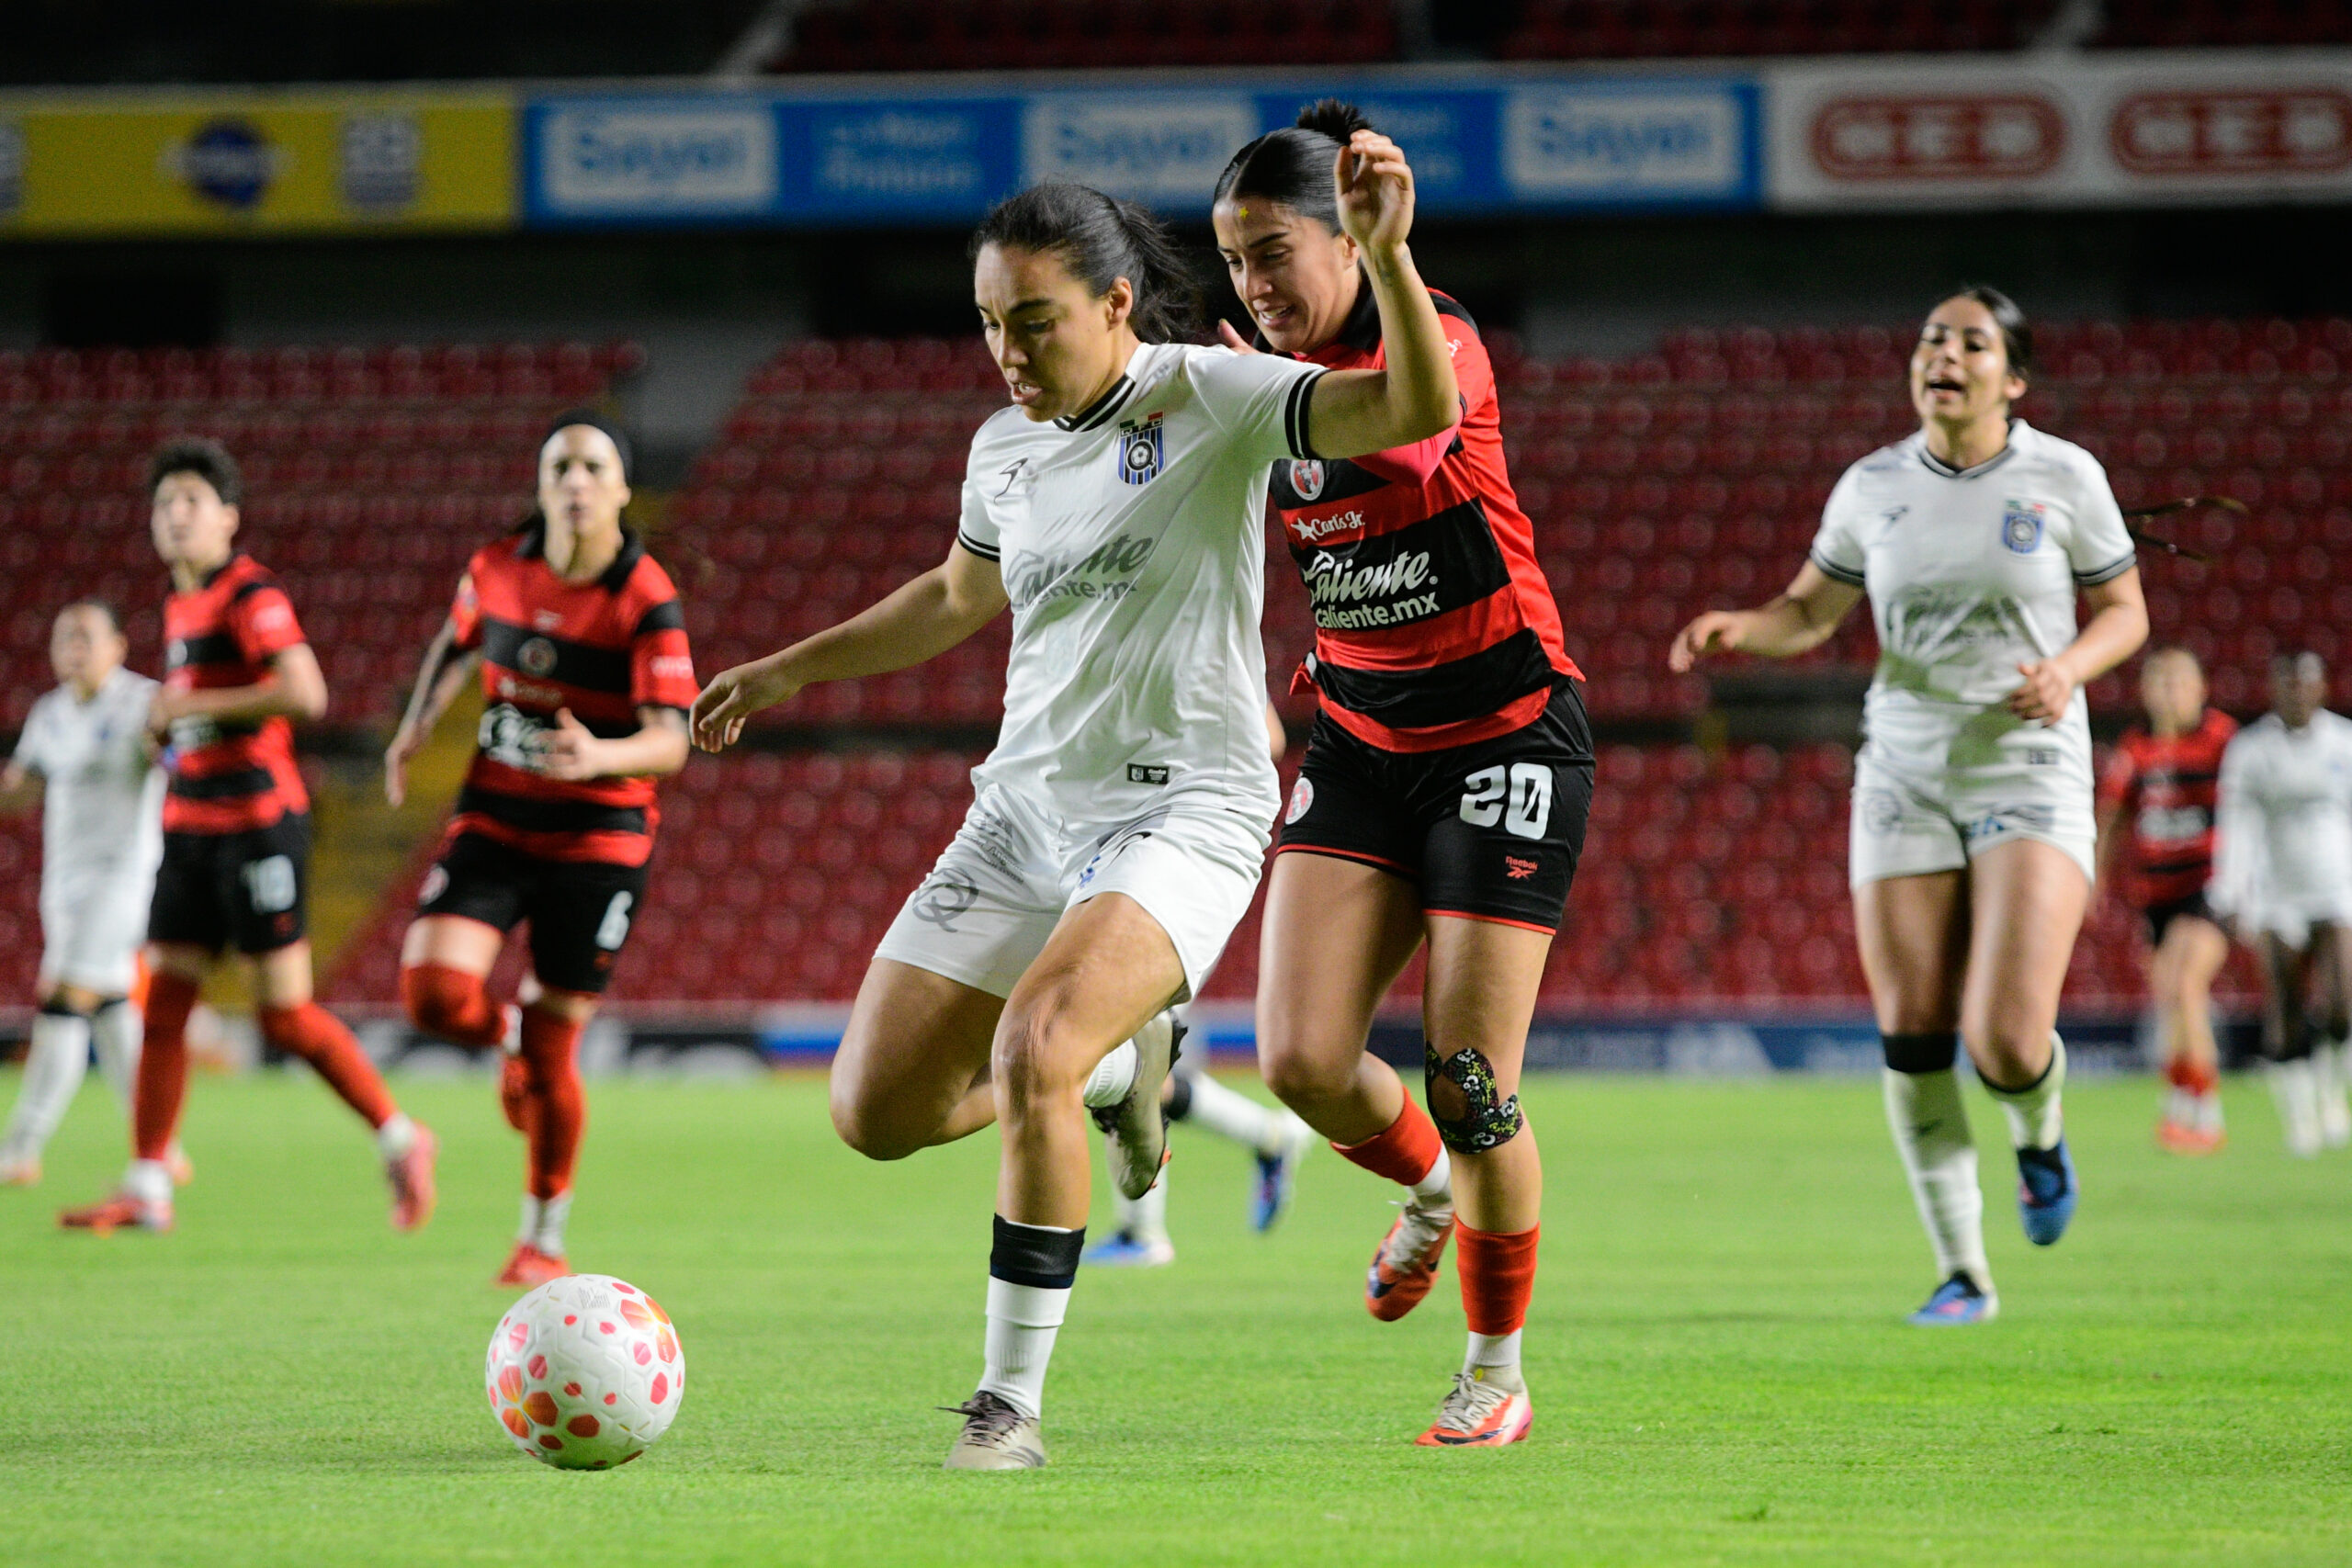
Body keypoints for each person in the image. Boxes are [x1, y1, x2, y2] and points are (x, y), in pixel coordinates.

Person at [691, 137, 1460, 1469]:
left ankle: (1008, 1405)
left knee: (1029, 1044)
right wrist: (782, 665)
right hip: (1022, 813)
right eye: (990, 324)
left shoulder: (1209, 395)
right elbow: (950, 598)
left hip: (1185, 807)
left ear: (1115, 304)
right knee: (872, 1111)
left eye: (1033, 321)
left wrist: (1387, 254)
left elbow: (1404, 410)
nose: (1009, 351)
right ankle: (1121, 1065)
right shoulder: (1004, 446)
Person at [1211, 100, 1591, 1444]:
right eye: (1235, 265)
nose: (1254, 289)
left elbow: (1403, 434)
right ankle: (1429, 1189)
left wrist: (1389, 264)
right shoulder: (1254, 371)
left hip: (1505, 733)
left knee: (1470, 1078)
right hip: (1363, 740)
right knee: (1304, 1059)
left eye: (1273, 253)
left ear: (1346, 235)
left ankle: (1496, 1366)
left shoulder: (1437, 337)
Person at [1670, 287, 2148, 1326]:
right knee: (1913, 1034)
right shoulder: (1871, 484)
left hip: (2025, 761)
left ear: (2011, 377)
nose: (1944, 353)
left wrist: (2068, 669)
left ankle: (2038, 1135)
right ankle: (1962, 1272)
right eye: (1932, 337)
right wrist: (1743, 629)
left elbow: (2124, 610)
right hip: (1902, 770)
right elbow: (1810, 610)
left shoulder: (2065, 476)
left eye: (1972, 342)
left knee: (2007, 1040)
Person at [61, 439, 435, 1235]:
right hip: (189, 826)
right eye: (165, 503)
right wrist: (172, 726)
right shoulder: (178, 603)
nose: (176, 515)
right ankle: (148, 1184)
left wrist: (188, 705)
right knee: (162, 1003)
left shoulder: (249, 591)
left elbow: (304, 690)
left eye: (193, 500)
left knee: (284, 1015)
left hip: (259, 826)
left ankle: (401, 1135)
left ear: (229, 517)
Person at [385, 412, 697, 1286]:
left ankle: (542, 1236)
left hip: (599, 834)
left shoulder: (645, 596)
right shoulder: (494, 567)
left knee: (559, 1044)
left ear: (621, 489)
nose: (576, 479)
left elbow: (670, 739)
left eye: (595, 466)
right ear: (542, 482)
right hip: (496, 814)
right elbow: (454, 646)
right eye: (561, 463)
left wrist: (598, 755)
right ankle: (506, 1034)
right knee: (433, 995)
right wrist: (412, 732)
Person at [1084, 701, 1317, 1269]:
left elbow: (1267, 737)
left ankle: (1143, 1232)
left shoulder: (1197, 629)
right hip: (1120, 852)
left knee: (1120, 1044)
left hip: (1173, 860)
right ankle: (1267, 1136)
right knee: (1129, 1051)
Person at [0, 602, 181, 1186]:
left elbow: (177, 761)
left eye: (85, 636)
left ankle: (18, 1149)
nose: (72, 648)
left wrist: (169, 749)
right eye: (62, 638)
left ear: (118, 647)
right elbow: (22, 789)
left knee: (62, 998)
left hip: (124, 878)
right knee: (108, 1009)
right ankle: (161, 1146)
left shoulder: (142, 703)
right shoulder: (50, 713)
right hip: (66, 886)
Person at [2209, 651, 2352, 1156]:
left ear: (2321, 687)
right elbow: (2235, 823)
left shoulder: (2345, 743)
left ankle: (2335, 1096)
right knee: (2285, 1007)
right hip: (2275, 895)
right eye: (2287, 683)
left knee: (2341, 1006)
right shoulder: (2251, 750)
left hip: (2337, 890)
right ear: (2274, 689)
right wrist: (2228, 891)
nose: (2296, 692)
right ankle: (2301, 1119)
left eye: (2305, 682)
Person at [2095, 647, 2235, 1152]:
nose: (2170, 691)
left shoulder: (2222, 741)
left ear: (2200, 689)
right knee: (2168, 997)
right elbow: (2113, 816)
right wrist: (2096, 876)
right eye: (2161, 681)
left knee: (2186, 984)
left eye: (2180, 681)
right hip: (2155, 892)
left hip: (2208, 884)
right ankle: (2178, 1105)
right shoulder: (2136, 748)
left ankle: (2207, 1114)